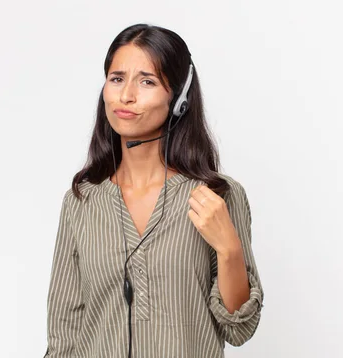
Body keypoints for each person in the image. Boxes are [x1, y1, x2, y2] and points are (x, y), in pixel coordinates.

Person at [43, 23, 264, 358]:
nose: (126, 95)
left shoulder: (217, 196)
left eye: (147, 81)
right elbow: (64, 334)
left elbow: (239, 328)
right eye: (117, 78)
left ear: (179, 99)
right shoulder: (82, 200)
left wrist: (229, 249)